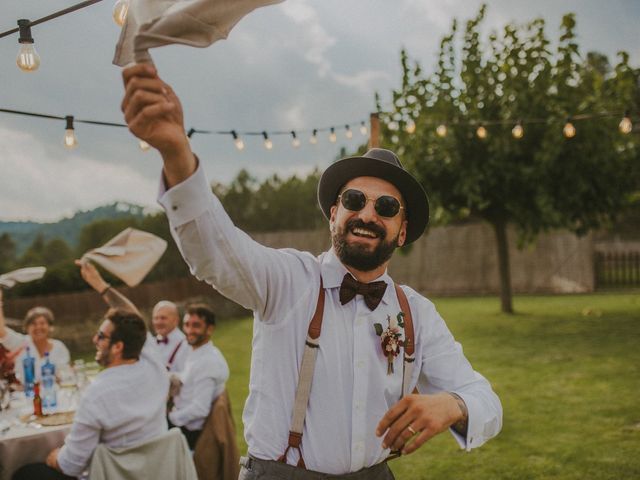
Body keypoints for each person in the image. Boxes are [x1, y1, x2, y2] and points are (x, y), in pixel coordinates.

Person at [121, 64, 502, 479]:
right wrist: (178, 155)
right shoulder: (288, 281)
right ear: (335, 213)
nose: (367, 214)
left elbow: (486, 400)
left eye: (387, 207)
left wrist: (454, 405)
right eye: (355, 200)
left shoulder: (416, 313)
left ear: (402, 230)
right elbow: (215, 251)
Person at [12, 308, 170, 480]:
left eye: (101, 336)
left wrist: (54, 458)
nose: (94, 339)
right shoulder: (157, 370)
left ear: (118, 347)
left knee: (24, 473)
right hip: (155, 470)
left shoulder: (96, 393)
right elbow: (141, 333)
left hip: (112, 475)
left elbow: (71, 465)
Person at [168, 303, 229, 450]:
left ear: (210, 329)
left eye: (196, 325)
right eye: (186, 324)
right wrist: (173, 377)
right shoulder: (199, 352)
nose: (189, 330)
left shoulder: (207, 362)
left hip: (190, 433)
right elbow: (192, 378)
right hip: (183, 422)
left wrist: (170, 418)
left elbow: (200, 409)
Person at [0, 288, 70, 383]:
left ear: (50, 327)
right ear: (26, 327)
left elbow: (65, 375)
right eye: (33, 324)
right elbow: (1, 331)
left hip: (53, 393)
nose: (38, 327)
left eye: (42, 323)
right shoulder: (20, 343)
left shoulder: (59, 347)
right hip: (24, 395)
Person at [152, 300, 188, 372]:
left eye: (163, 318)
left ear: (176, 320)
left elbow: (186, 378)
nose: (158, 322)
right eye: (156, 318)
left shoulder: (186, 345)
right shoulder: (150, 343)